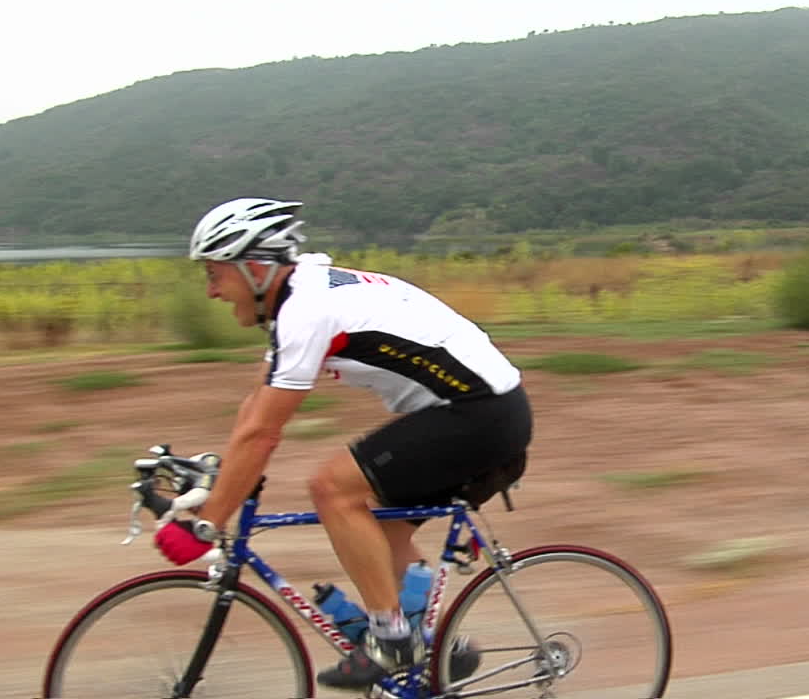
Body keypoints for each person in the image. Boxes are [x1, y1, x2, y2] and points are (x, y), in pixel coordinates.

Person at [153, 197, 533, 689]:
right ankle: (437, 651)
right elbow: (256, 409)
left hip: (480, 413)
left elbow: (265, 433)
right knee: (379, 533)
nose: (210, 292)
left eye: (214, 274)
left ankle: (392, 638)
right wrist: (218, 480)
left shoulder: (307, 310)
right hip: (474, 411)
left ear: (252, 269)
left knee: (333, 488)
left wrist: (207, 526)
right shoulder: (299, 297)